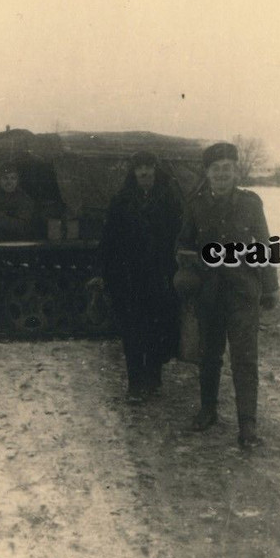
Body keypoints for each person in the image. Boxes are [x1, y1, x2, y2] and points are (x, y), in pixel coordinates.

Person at [178, 141, 279, 448]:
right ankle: (208, 410)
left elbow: (264, 245)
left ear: (236, 172)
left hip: (243, 293)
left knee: (245, 359)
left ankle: (247, 426)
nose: (221, 174)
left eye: (227, 169)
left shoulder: (251, 203)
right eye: (215, 169)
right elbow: (182, 246)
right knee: (209, 356)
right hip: (209, 294)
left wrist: (270, 287)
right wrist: (196, 264)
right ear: (206, 173)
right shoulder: (194, 206)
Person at [101, 151, 184, 404]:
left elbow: (180, 236)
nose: (144, 173)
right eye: (139, 169)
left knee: (158, 328)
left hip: (160, 275)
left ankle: (154, 379)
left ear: (156, 170)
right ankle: (135, 384)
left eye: (148, 167)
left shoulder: (170, 199)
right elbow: (108, 241)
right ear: (133, 172)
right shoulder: (121, 201)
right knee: (132, 331)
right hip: (129, 277)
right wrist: (106, 273)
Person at [0, 162, 35, 238]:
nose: (9, 182)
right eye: (5, 178)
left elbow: (22, 227)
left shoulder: (24, 200)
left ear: (17, 181)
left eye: (13, 178)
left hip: (16, 243)